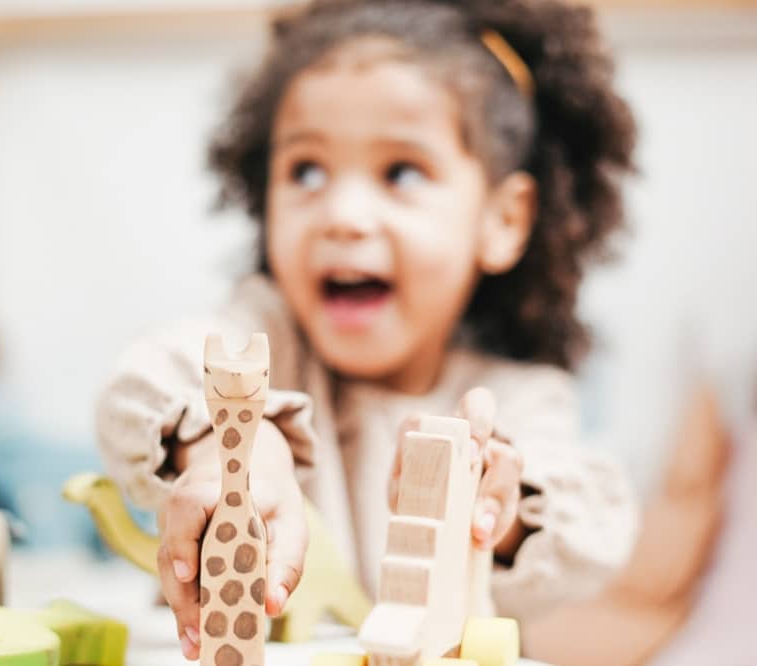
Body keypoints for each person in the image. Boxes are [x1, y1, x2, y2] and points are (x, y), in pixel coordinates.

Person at [96, 0, 639, 660]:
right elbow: (147, 378)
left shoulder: (519, 398)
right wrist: (229, 444)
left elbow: (593, 533)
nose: (343, 215)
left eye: (401, 172)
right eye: (306, 171)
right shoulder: (268, 335)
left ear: (502, 219)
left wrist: (493, 506)